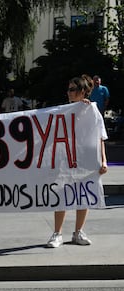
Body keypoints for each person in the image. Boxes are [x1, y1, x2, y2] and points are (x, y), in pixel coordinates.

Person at [47, 76, 108, 248]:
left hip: (86, 159)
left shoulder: (92, 111)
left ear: (82, 92)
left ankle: (78, 232)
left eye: (72, 89)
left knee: (83, 194)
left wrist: (103, 160)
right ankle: (57, 233)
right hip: (65, 159)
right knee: (61, 194)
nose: (69, 93)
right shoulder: (63, 110)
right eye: (68, 89)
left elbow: (100, 137)